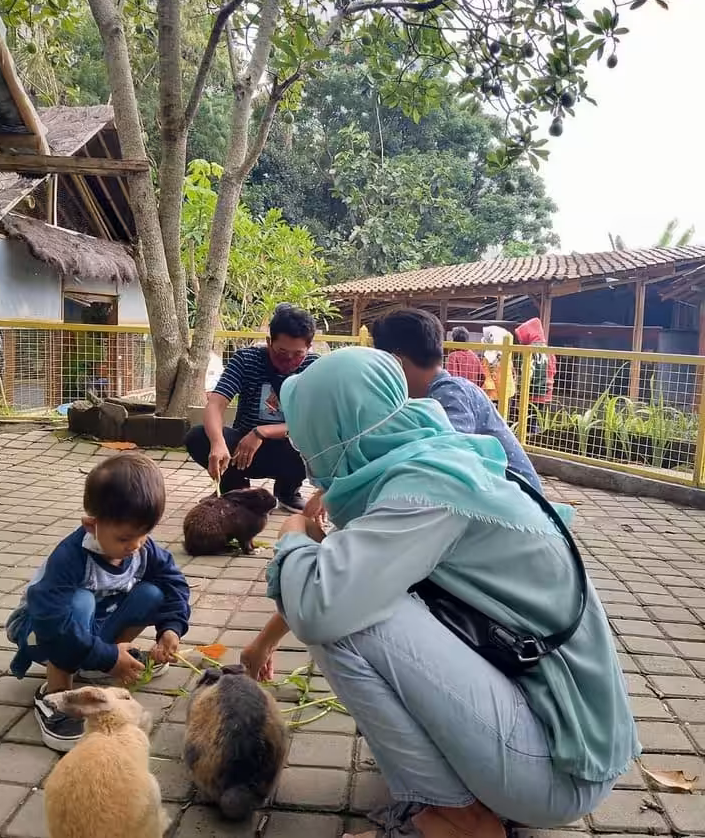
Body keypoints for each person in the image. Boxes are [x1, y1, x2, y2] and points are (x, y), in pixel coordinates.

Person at [241, 347, 639, 838]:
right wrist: (264, 639)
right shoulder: (431, 460)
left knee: (338, 615)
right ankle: (454, 802)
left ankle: (459, 820)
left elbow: (323, 603)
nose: (307, 458)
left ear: (337, 431)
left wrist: (290, 541)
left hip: (558, 771)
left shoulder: (424, 489)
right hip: (553, 738)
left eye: (309, 440)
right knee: (342, 590)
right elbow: (347, 569)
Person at [5, 453, 191, 752]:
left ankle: (99, 664)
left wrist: (170, 628)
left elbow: (174, 584)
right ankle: (57, 696)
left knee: (153, 593)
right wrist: (106, 655)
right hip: (41, 632)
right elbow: (52, 622)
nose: (135, 546)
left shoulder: (141, 547)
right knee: (79, 602)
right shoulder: (69, 558)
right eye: (124, 538)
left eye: (144, 535)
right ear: (91, 525)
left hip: (89, 629)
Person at [371, 309, 541, 491]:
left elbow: (446, 454)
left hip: (520, 500)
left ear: (396, 363)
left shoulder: (449, 393)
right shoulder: (439, 393)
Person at [185, 304, 319, 513]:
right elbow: (216, 404)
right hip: (243, 450)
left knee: (317, 442)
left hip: (289, 449)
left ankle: (288, 492)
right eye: (282, 352)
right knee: (197, 436)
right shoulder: (246, 359)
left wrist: (262, 432)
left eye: (298, 354)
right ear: (269, 342)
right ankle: (236, 490)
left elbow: (312, 422)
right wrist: (218, 443)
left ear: (309, 348)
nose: (289, 362)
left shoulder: (315, 367)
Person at [515, 317, 557, 434]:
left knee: (525, 421)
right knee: (536, 419)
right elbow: (553, 370)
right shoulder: (549, 351)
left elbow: (524, 371)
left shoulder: (528, 351)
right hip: (545, 392)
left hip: (529, 392)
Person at [481, 324, 516, 405]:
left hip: (495, 393)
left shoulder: (488, 357)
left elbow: (486, 374)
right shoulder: (507, 356)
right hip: (506, 391)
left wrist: (488, 388)